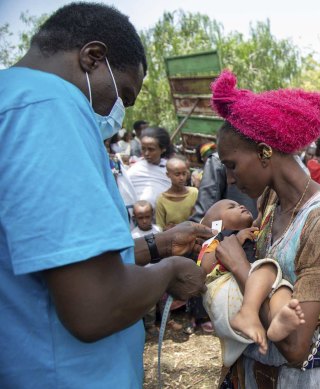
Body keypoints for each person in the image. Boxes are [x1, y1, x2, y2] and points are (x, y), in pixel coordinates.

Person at [0, 3, 211, 387]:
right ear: (93, 57)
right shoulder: (49, 109)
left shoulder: (12, 99)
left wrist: (156, 246)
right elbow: (94, 306)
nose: (116, 115)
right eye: (123, 97)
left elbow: (49, 256)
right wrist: (167, 274)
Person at [209, 70, 320, 387]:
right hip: (256, 371)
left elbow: (297, 347)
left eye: (231, 165)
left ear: (264, 152)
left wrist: (239, 267)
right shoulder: (270, 201)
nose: (230, 180)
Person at [198, 200, 306, 366]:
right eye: (231, 207)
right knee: (269, 269)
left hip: (245, 292)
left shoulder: (254, 233)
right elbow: (204, 267)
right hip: (227, 290)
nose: (240, 205)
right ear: (217, 225)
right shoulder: (218, 239)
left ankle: (278, 320)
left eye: (238, 204)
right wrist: (236, 239)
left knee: (281, 286)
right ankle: (249, 313)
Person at [127, 126, 173, 213]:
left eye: (151, 149)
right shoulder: (134, 170)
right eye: (143, 149)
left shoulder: (172, 169)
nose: (146, 153)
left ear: (163, 149)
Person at [155, 157, 198, 230]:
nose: (181, 178)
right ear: (168, 175)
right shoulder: (162, 199)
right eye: (177, 174)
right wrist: (167, 229)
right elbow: (160, 226)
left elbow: (199, 219)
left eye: (184, 174)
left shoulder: (194, 193)